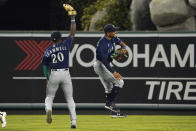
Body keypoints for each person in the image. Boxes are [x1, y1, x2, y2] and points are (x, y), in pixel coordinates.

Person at [41, 6, 77, 128]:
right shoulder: (65, 44)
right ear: (60, 38)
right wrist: (72, 18)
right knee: (70, 98)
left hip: (54, 74)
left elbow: (45, 66)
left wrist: (47, 77)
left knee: (49, 96)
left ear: (52, 39)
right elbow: (72, 33)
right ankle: (73, 122)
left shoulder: (48, 50)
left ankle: (49, 109)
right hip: (65, 73)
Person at [93, 24, 127, 118]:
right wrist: (114, 72)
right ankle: (109, 104)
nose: (115, 32)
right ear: (108, 33)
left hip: (105, 64)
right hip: (101, 65)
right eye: (113, 31)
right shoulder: (102, 44)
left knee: (109, 88)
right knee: (120, 81)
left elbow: (123, 44)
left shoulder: (113, 38)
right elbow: (104, 61)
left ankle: (114, 112)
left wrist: (123, 49)